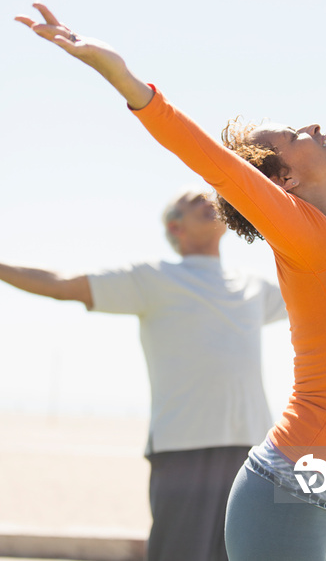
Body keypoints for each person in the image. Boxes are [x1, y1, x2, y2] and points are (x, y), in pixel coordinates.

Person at [15, 3, 326, 561]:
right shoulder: (305, 239)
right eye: (294, 134)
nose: (313, 126)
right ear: (283, 179)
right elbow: (215, 163)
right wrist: (123, 79)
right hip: (290, 487)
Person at [0, 186, 288, 561]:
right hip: (182, 448)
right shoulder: (152, 279)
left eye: (209, 197)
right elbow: (62, 284)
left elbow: (318, 297)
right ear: (175, 227)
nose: (208, 201)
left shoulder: (255, 286)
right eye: (192, 201)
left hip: (252, 450)